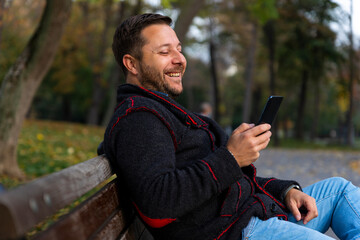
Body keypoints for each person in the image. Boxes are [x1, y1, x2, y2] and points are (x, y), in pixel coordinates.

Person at [101, 13, 360, 240]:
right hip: (235, 232)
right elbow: (159, 199)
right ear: (131, 64)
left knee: (338, 190)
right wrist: (232, 156)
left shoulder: (160, 110)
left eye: (179, 49)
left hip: (251, 217)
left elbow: (224, 180)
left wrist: (285, 191)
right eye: (165, 52)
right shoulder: (139, 119)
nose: (180, 59)